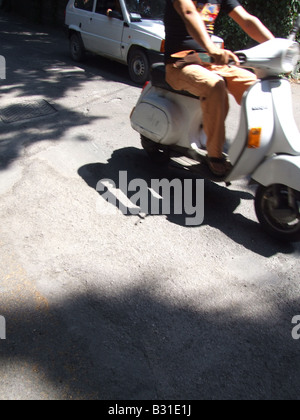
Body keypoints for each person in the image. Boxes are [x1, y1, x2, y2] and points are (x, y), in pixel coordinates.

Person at [164, 0, 275, 176]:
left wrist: (275, 46)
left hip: (208, 61)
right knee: (216, 85)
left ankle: (257, 145)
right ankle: (215, 156)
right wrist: (211, 48)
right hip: (179, 63)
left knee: (255, 86)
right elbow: (188, 12)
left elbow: (246, 20)